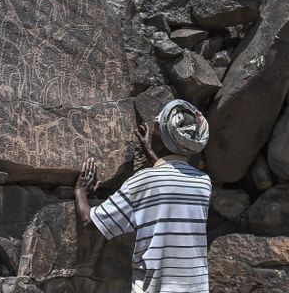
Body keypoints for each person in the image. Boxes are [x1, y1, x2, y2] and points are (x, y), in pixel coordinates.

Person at [74, 99, 212, 293]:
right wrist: (152, 153)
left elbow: (90, 222)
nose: (152, 126)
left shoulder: (143, 181)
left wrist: (80, 191)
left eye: (156, 124)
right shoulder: (203, 183)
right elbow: (171, 184)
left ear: (163, 137)